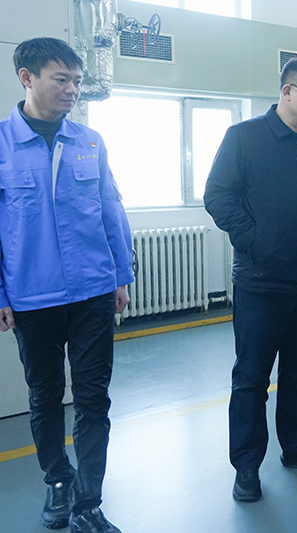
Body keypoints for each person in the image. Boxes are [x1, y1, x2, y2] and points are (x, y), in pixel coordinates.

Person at [0, 37, 134, 532]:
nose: (73, 90)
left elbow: (111, 209)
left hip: (93, 291)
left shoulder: (89, 141)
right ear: (27, 77)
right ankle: (58, 480)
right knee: (44, 394)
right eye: (62, 79)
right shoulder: (2, 144)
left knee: (94, 398)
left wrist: (121, 276)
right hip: (31, 296)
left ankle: (88, 500)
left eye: (77, 80)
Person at [204, 57, 297, 503]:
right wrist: (256, 242)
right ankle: (246, 465)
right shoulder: (244, 137)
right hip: (261, 283)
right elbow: (217, 196)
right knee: (251, 379)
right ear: (287, 91)